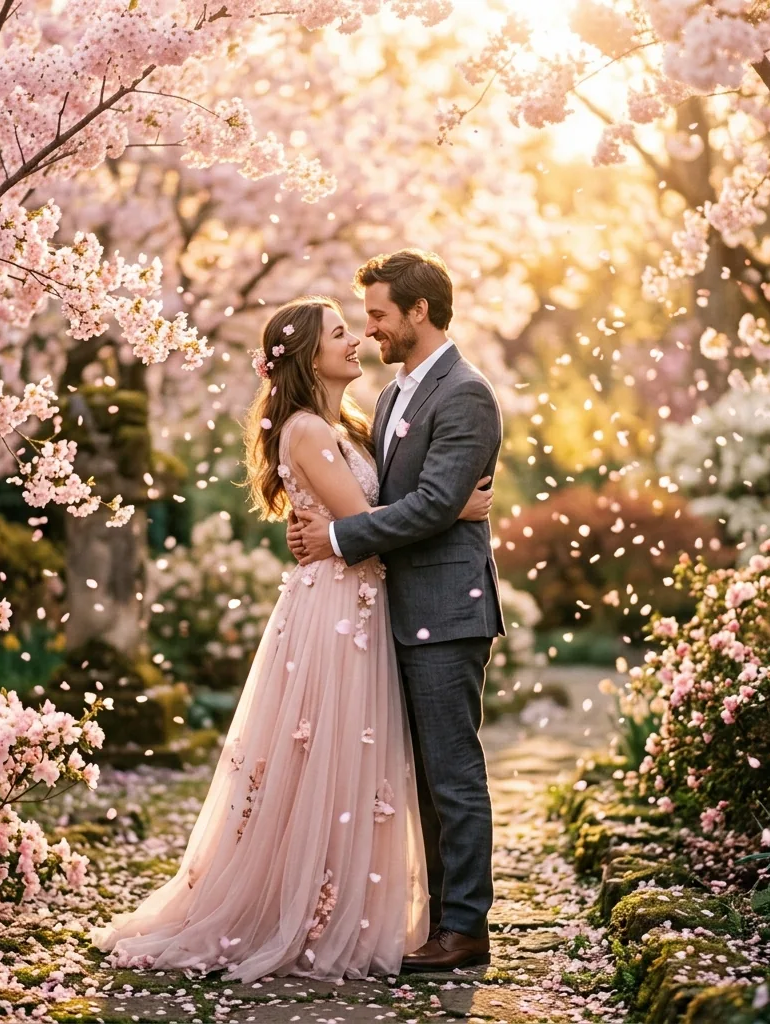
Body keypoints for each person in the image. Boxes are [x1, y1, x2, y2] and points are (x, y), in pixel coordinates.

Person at [89, 294, 493, 982]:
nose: (358, 337)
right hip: (336, 609)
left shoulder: (359, 419)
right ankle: (310, 909)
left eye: (363, 322)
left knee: (358, 762)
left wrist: (395, 516)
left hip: (365, 603)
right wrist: (452, 507)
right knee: (324, 756)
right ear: (308, 356)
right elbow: (365, 519)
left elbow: (366, 515)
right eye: (340, 332)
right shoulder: (308, 429)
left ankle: (370, 908)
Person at [288, 249, 504, 972]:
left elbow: (436, 502)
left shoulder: (465, 393)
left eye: (379, 314)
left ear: (419, 310)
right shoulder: (390, 398)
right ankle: (438, 919)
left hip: (446, 609)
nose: (370, 329)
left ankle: (465, 928)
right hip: (392, 608)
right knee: (420, 780)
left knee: (452, 775)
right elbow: (398, 498)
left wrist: (337, 537)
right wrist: (325, 524)